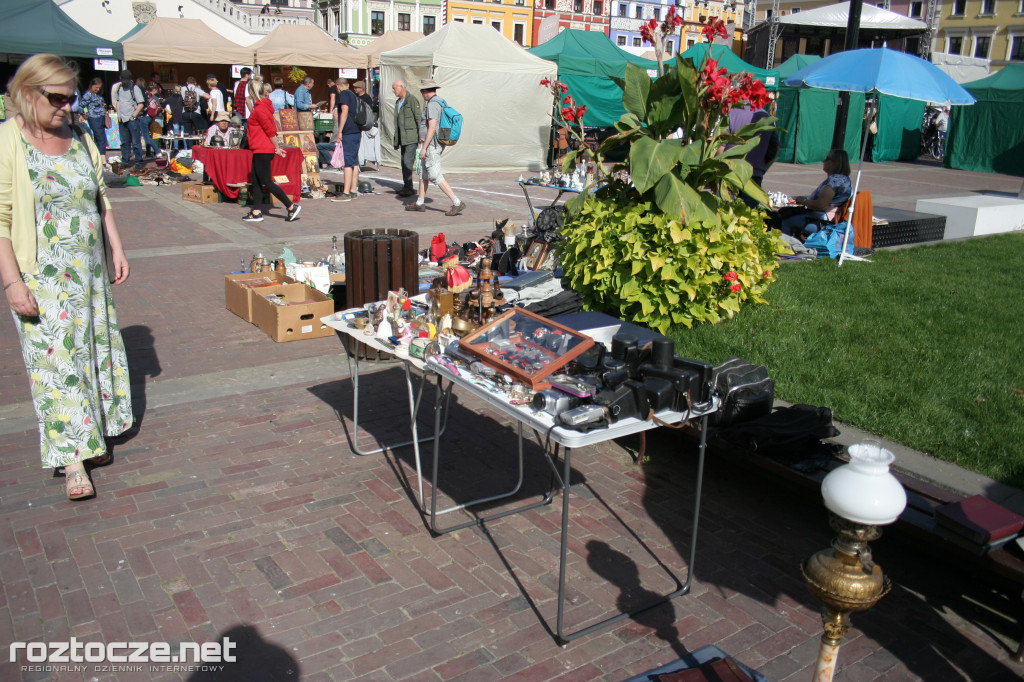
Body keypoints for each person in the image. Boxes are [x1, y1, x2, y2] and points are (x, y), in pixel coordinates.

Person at [0, 54, 133, 500]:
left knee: (91, 353)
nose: (65, 106)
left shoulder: (79, 135)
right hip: (40, 273)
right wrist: (12, 282)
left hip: (89, 271)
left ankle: (90, 436)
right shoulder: (7, 141)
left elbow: (99, 195)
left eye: (70, 98)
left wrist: (115, 246)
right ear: (27, 92)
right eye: (56, 98)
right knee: (56, 366)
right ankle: (72, 459)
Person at [244, 77, 301, 223]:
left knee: (267, 181)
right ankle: (256, 211)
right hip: (259, 148)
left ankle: (290, 206)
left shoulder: (260, 109)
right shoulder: (262, 107)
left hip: (262, 149)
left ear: (252, 92)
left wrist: (276, 147)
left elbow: (270, 130)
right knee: (256, 181)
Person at [406, 79, 465, 216]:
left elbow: (432, 127)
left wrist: (424, 148)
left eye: (422, 90)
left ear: (426, 91)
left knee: (434, 175)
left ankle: (456, 202)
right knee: (423, 172)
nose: (421, 93)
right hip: (430, 143)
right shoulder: (440, 101)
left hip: (431, 145)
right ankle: (420, 202)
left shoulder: (433, 104)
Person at [780, 148, 852, 237]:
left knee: (787, 219)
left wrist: (804, 201)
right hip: (828, 219)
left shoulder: (835, 181)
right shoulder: (845, 180)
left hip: (822, 222)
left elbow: (820, 204)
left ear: (834, 163)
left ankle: (786, 247)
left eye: (827, 158)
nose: (823, 161)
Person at [727, 104, 778, 208]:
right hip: (754, 176)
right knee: (747, 217)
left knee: (725, 213)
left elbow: (720, 149)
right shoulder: (767, 117)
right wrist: (762, 170)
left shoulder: (730, 113)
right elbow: (775, 149)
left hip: (729, 174)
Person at [330, 79, 361, 202]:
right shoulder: (353, 95)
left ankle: (346, 192)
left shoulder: (344, 94)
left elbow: (344, 112)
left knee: (347, 162)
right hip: (357, 130)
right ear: (347, 85)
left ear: (337, 86)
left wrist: (340, 131)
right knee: (354, 161)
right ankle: (353, 190)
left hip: (348, 131)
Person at [391, 79, 420, 197]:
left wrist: (420, 136)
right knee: (403, 162)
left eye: (394, 88)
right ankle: (407, 186)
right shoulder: (398, 102)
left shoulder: (411, 100)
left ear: (402, 87)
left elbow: (418, 118)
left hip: (411, 137)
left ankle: (409, 188)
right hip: (402, 138)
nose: (393, 91)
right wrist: (396, 140)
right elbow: (397, 123)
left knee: (408, 162)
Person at [113, 69, 145, 168]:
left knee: (136, 142)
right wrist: (118, 114)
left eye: (127, 81)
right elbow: (118, 101)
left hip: (132, 119)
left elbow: (141, 104)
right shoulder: (119, 87)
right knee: (124, 142)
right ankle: (125, 161)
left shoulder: (134, 88)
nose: (125, 83)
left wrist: (133, 116)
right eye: (123, 81)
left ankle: (139, 162)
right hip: (122, 119)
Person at [352, 80, 379, 170]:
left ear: (362, 88)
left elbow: (369, 112)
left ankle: (361, 161)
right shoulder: (355, 96)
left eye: (357, 87)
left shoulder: (367, 98)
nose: (355, 89)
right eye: (354, 87)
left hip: (363, 125)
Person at [81, 77, 108, 157]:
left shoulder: (97, 95)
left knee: (98, 138)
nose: (98, 89)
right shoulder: (88, 95)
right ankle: (102, 158)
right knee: (101, 138)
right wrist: (84, 114)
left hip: (101, 118)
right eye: (96, 87)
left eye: (99, 87)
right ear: (92, 85)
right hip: (94, 118)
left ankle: (97, 156)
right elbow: (81, 105)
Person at [139, 82, 163, 159]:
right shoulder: (152, 97)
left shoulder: (143, 96)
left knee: (146, 137)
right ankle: (148, 153)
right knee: (148, 135)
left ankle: (157, 151)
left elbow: (142, 107)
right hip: (150, 117)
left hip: (144, 117)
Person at [162, 84, 188, 153]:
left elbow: (163, 104)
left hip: (175, 117)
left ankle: (176, 149)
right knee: (184, 134)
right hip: (183, 116)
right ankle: (186, 148)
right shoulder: (183, 97)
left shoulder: (170, 98)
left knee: (176, 134)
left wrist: (169, 112)